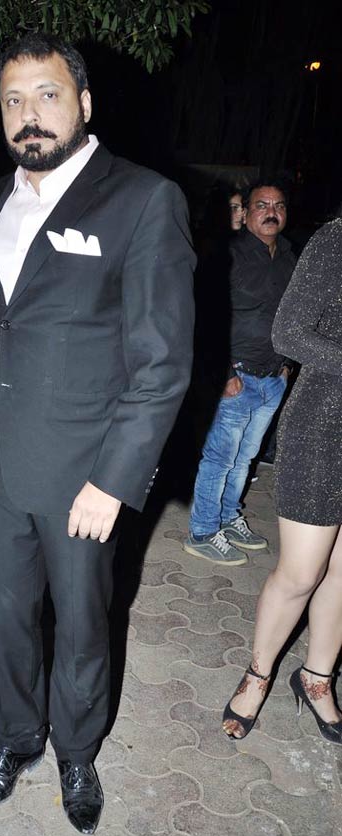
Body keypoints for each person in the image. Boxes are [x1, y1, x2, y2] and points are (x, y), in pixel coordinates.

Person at [0, 35, 195, 835]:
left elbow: (163, 362)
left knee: (84, 624)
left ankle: (77, 750)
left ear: (85, 103)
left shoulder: (143, 199)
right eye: (13, 100)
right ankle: (16, 737)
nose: (29, 115)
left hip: (83, 474)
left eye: (48, 94)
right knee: (6, 618)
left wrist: (114, 478)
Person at [222, 217, 342, 744]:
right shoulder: (336, 239)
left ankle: (316, 678)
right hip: (324, 428)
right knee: (301, 573)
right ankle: (258, 674)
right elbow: (288, 331)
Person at [184, 180, 296, 565]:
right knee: (220, 459)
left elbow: (291, 315)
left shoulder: (288, 256)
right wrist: (223, 371)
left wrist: (286, 365)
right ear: (246, 212)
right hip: (237, 377)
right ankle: (202, 531)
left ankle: (229, 517)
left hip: (272, 377)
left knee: (246, 458)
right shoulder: (227, 254)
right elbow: (205, 317)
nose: (271, 212)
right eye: (262, 205)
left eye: (279, 206)